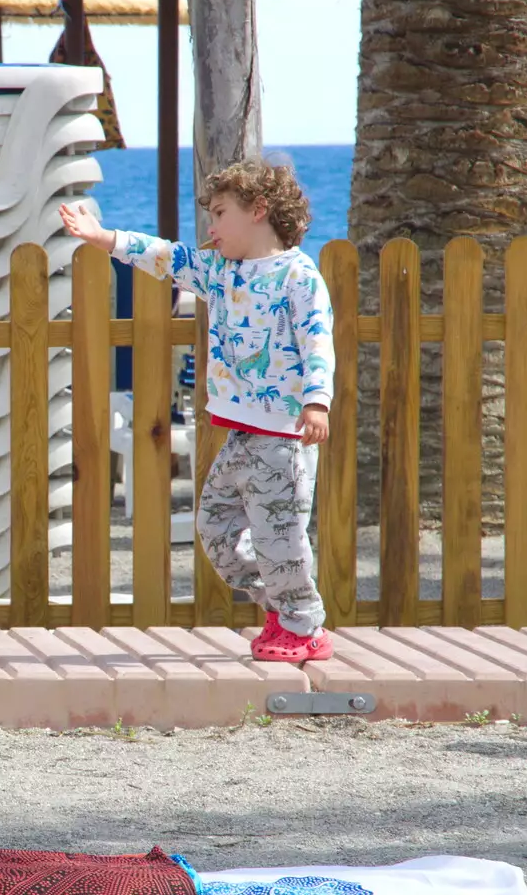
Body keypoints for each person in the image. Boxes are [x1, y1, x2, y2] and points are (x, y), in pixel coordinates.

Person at [60, 161, 335, 662]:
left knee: (282, 538)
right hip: (240, 437)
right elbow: (164, 256)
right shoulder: (218, 271)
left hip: (282, 439)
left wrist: (317, 400)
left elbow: (318, 341)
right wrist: (104, 238)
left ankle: (304, 628)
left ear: (258, 210)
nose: (210, 227)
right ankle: (279, 605)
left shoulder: (299, 276)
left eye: (220, 213)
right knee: (214, 528)